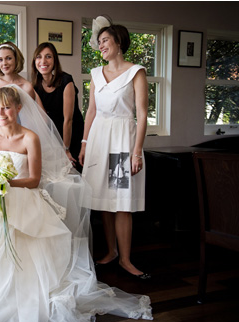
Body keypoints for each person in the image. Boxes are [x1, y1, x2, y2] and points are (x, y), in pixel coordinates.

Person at [0, 85, 152, 322]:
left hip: (24, 194)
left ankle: (24, 291)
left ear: (19, 108)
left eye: (7, 108)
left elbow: (33, 180)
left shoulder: (30, 138)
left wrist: (8, 183)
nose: (0, 113)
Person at [78, 16, 150, 279]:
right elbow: (91, 111)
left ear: (119, 42)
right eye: (99, 42)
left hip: (121, 140)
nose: (101, 46)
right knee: (102, 200)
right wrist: (85, 143)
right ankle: (111, 252)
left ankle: (126, 260)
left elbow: (142, 115)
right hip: (99, 140)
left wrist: (136, 151)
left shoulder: (135, 72)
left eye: (105, 41)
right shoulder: (96, 74)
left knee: (120, 202)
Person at [32, 42, 85, 172]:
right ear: (34, 61)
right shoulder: (35, 87)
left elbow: (68, 120)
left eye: (48, 56)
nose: (43, 61)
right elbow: (43, 120)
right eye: (39, 57)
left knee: (73, 174)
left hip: (72, 135)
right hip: (52, 137)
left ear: (55, 60)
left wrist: (65, 150)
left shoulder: (66, 81)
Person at [0, 41, 37, 130]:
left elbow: (29, 120)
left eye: (8, 58)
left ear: (16, 59)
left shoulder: (26, 87)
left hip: (16, 135)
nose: (4, 63)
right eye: (0, 59)